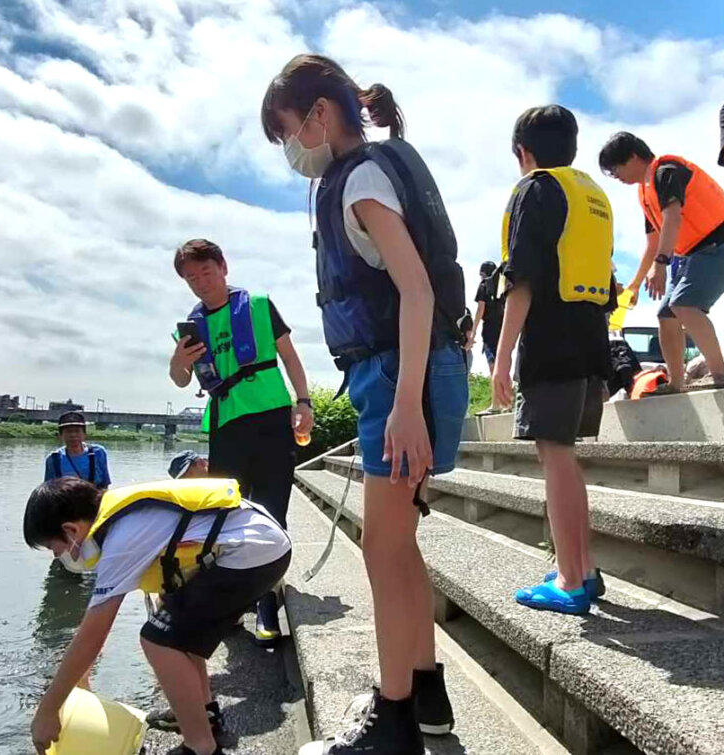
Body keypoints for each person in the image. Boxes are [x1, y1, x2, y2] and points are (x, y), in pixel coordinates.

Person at [262, 54, 469, 755]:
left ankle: (393, 719)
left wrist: (406, 403)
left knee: (382, 551)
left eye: (288, 132)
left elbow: (414, 289)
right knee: (398, 548)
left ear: (320, 115)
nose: (291, 151)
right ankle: (425, 690)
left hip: (396, 377)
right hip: (401, 372)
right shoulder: (368, 173)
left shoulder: (360, 183)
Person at [24, 476, 291, 755]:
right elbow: (95, 622)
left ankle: (200, 747)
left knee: (157, 639)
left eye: (53, 548)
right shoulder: (119, 520)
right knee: (172, 627)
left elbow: (93, 633)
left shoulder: (122, 537)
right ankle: (204, 715)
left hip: (252, 553)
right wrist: (80, 677)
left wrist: (48, 710)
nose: (57, 556)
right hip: (261, 544)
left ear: (71, 530)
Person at [493, 105, 615, 616]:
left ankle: (569, 579)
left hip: (552, 343)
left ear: (524, 152)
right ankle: (582, 568)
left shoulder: (534, 189)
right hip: (591, 342)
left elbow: (522, 281)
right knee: (563, 456)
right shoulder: (593, 194)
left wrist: (501, 360)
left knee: (556, 456)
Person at [169, 238, 311, 646]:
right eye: (191, 278)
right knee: (226, 515)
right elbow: (181, 380)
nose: (199, 283)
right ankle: (232, 600)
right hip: (225, 425)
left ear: (223, 266)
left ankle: (267, 602)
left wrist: (303, 402)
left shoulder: (261, 305)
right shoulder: (192, 325)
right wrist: (179, 361)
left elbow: (290, 356)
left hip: (270, 418)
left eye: (205, 272)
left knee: (270, 509)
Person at [598, 131, 724, 393]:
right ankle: (677, 383)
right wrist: (633, 285)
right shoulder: (645, 192)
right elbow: (653, 242)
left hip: (716, 244)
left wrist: (663, 263)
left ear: (633, 157)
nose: (616, 176)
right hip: (693, 254)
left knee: (685, 305)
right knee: (666, 315)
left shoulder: (665, 172)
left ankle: (720, 374)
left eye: (615, 169)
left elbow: (673, 218)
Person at [467, 260, 507, 413]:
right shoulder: (502, 284)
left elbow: (480, 309)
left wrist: (474, 330)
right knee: (503, 363)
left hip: (490, 329)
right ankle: (506, 402)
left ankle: (496, 404)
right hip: (503, 327)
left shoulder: (484, 285)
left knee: (493, 365)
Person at [44, 411, 111, 490]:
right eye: (68, 432)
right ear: (60, 436)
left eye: (77, 431)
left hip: (95, 499)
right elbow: (49, 490)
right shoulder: (53, 459)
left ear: (84, 434)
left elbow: (105, 484)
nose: (73, 435)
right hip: (65, 500)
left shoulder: (98, 452)